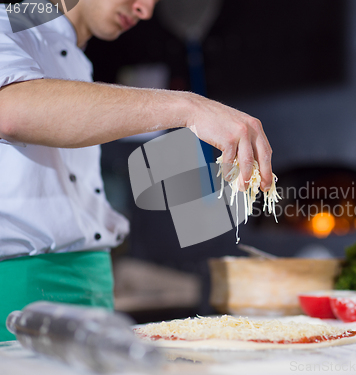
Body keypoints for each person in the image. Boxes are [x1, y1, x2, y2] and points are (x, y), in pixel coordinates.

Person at [0, 0, 273, 341]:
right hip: (17, 292)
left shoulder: (77, 57)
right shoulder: (8, 22)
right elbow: (13, 109)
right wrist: (190, 107)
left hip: (92, 285)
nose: (145, 9)